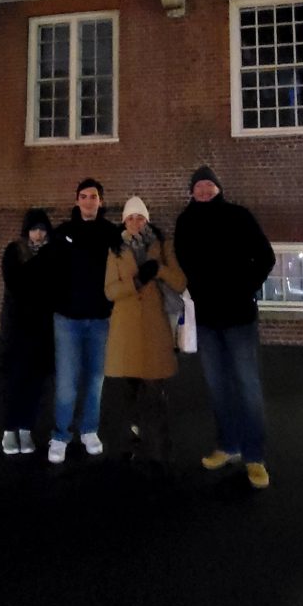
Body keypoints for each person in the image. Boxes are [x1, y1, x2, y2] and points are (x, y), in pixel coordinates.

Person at [174, 166, 275, 489]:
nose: (203, 190)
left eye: (209, 185)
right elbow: (182, 261)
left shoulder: (238, 216)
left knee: (248, 386)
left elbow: (265, 257)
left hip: (239, 316)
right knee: (218, 387)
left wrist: (245, 287)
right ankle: (227, 445)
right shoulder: (185, 221)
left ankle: (254, 456)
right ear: (191, 191)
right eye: (198, 186)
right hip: (207, 319)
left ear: (218, 188)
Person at [104, 196, 186, 468]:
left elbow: (180, 281)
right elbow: (110, 290)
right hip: (125, 328)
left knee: (154, 392)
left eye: (140, 217)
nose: (135, 222)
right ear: (124, 221)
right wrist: (136, 281)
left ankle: (160, 448)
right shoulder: (115, 249)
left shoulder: (162, 245)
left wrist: (158, 269)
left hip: (153, 327)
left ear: (147, 220)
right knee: (128, 392)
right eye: (130, 218)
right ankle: (129, 442)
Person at [48, 178, 121, 465]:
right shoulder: (63, 232)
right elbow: (51, 269)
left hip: (100, 319)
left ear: (100, 201)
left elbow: (124, 264)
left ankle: (89, 430)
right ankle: (60, 435)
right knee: (66, 381)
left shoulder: (110, 233)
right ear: (76, 200)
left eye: (94, 196)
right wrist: (57, 302)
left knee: (95, 379)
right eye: (84, 196)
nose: (89, 201)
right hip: (67, 319)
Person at [0, 208, 54, 455]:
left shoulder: (53, 253)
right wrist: (40, 268)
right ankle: (10, 429)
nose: (38, 234)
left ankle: (26, 429)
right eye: (34, 228)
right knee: (16, 380)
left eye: (42, 229)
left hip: (42, 329)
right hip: (18, 327)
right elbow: (15, 283)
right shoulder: (14, 251)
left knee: (35, 383)